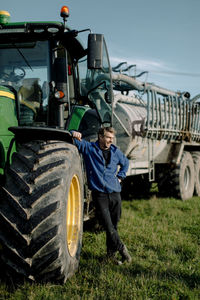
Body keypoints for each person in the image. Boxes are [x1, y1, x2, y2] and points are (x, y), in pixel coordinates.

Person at [72, 126, 132, 264]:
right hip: (100, 195)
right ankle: (122, 249)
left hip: (115, 194)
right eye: (108, 137)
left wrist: (120, 177)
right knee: (108, 225)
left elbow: (125, 163)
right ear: (100, 137)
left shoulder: (116, 152)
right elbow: (73, 140)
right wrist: (73, 132)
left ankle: (110, 256)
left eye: (112, 138)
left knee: (114, 226)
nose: (111, 140)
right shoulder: (90, 148)